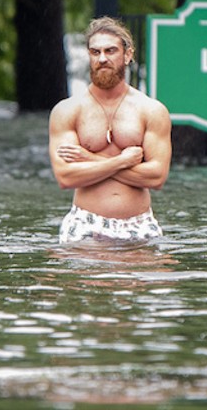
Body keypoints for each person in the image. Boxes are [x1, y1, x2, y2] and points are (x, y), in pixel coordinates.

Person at [49, 17, 171, 244]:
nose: (102, 58)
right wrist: (121, 161)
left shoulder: (151, 110)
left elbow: (157, 178)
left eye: (110, 51)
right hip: (85, 223)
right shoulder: (67, 110)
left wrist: (89, 159)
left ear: (127, 55)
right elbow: (65, 177)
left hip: (139, 223)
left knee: (159, 278)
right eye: (95, 52)